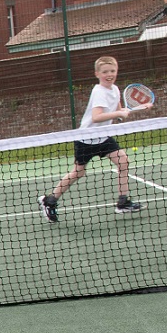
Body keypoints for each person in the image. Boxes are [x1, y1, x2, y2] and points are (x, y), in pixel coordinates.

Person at [39, 55, 145, 222]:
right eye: (105, 72)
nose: (109, 74)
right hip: (86, 139)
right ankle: (49, 201)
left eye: (112, 71)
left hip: (103, 138)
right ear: (97, 74)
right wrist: (118, 113)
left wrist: (135, 109)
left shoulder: (115, 89)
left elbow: (117, 112)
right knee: (78, 173)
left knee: (123, 161)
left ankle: (123, 202)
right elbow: (97, 117)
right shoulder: (99, 92)